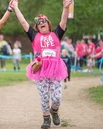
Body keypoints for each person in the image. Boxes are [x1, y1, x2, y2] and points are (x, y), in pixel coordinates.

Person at [12, 0, 72, 128]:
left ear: (48, 24)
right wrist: (16, 7)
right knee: (44, 97)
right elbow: (23, 22)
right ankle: (46, 118)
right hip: (40, 69)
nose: (41, 23)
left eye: (43, 21)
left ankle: (54, 111)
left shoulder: (56, 33)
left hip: (55, 69)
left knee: (57, 98)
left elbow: (63, 21)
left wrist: (66, 8)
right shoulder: (34, 35)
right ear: (37, 27)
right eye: (39, 23)